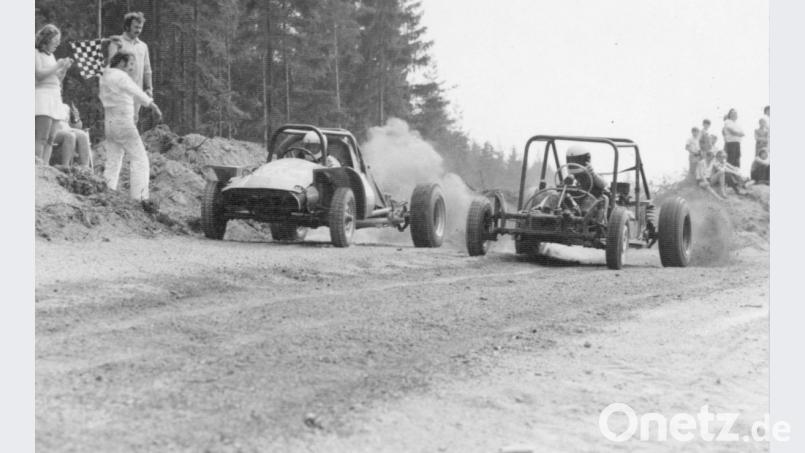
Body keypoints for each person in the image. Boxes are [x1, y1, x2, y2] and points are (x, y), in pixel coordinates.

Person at [99, 51, 162, 204]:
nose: (133, 68)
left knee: (113, 160)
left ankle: (108, 191)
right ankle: (139, 197)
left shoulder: (104, 76)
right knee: (140, 158)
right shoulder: (120, 76)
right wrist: (152, 105)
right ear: (121, 63)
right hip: (123, 122)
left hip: (109, 122)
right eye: (131, 64)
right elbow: (135, 91)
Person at [35, 24, 73, 164]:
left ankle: (45, 168)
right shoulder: (35, 53)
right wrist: (57, 65)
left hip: (55, 96)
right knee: (41, 137)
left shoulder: (51, 56)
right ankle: (36, 168)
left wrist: (63, 69)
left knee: (51, 138)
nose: (58, 43)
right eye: (55, 40)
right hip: (42, 97)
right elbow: (38, 75)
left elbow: (56, 79)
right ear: (47, 39)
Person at [110, 12, 153, 123]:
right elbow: (111, 67)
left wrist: (148, 88)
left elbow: (147, 70)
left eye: (140, 27)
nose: (138, 30)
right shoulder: (117, 42)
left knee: (133, 121)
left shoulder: (143, 46)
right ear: (127, 26)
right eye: (135, 27)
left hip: (136, 90)